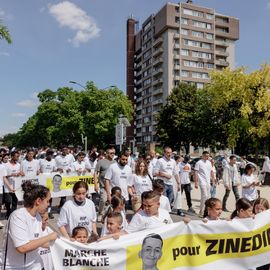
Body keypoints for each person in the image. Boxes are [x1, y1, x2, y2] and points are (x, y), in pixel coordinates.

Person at [3, 181, 57, 269]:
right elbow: (22, 248)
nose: (48, 204)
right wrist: (49, 237)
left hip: (35, 265)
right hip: (15, 267)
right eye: (47, 201)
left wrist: (67, 244)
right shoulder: (18, 216)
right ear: (38, 201)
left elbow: (40, 242)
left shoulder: (38, 216)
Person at [94, 147, 116, 216]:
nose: (112, 154)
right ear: (106, 153)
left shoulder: (115, 162)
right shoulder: (101, 162)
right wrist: (96, 185)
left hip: (112, 186)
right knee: (103, 199)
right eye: (111, 153)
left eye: (113, 153)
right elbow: (95, 174)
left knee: (113, 201)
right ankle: (100, 213)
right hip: (103, 185)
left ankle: (110, 214)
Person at [194, 151, 214, 217]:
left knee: (208, 197)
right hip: (202, 181)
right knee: (205, 195)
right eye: (206, 156)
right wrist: (196, 182)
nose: (207, 157)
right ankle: (201, 211)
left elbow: (211, 171)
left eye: (208, 156)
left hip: (208, 182)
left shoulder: (209, 163)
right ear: (202, 156)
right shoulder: (199, 163)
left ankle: (205, 211)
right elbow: (196, 173)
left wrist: (213, 179)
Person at [3, 151, 22, 219]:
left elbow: (20, 174)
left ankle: (12, 215)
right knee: (8, 201)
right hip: (7, 186)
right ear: (12, 156)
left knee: (15, 201)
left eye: (18, 156)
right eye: (16, 156)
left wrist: (20, 174)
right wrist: (12, 174)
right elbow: (4, 176)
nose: (18, 158)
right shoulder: (6, 165)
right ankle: (8, 211)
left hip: (16, 186)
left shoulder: (18, 165)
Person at [253, 198, 270, 270]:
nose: (259, 211)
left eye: (262, 209)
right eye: (257, 208)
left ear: (267, 210)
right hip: (254, 253)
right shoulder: (248, 218)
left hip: (266, 253)